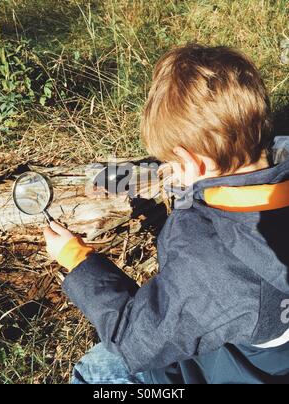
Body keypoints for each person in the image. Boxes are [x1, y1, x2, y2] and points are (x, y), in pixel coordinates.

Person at [44, 44, 289, 384]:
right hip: (261, 347)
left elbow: (133, 339)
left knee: (97, 370)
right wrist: (172, 183)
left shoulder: (208, 262)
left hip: (218, 369)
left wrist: (77, 259)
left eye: (173, 164)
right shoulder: (277, 157)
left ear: (195, 163)